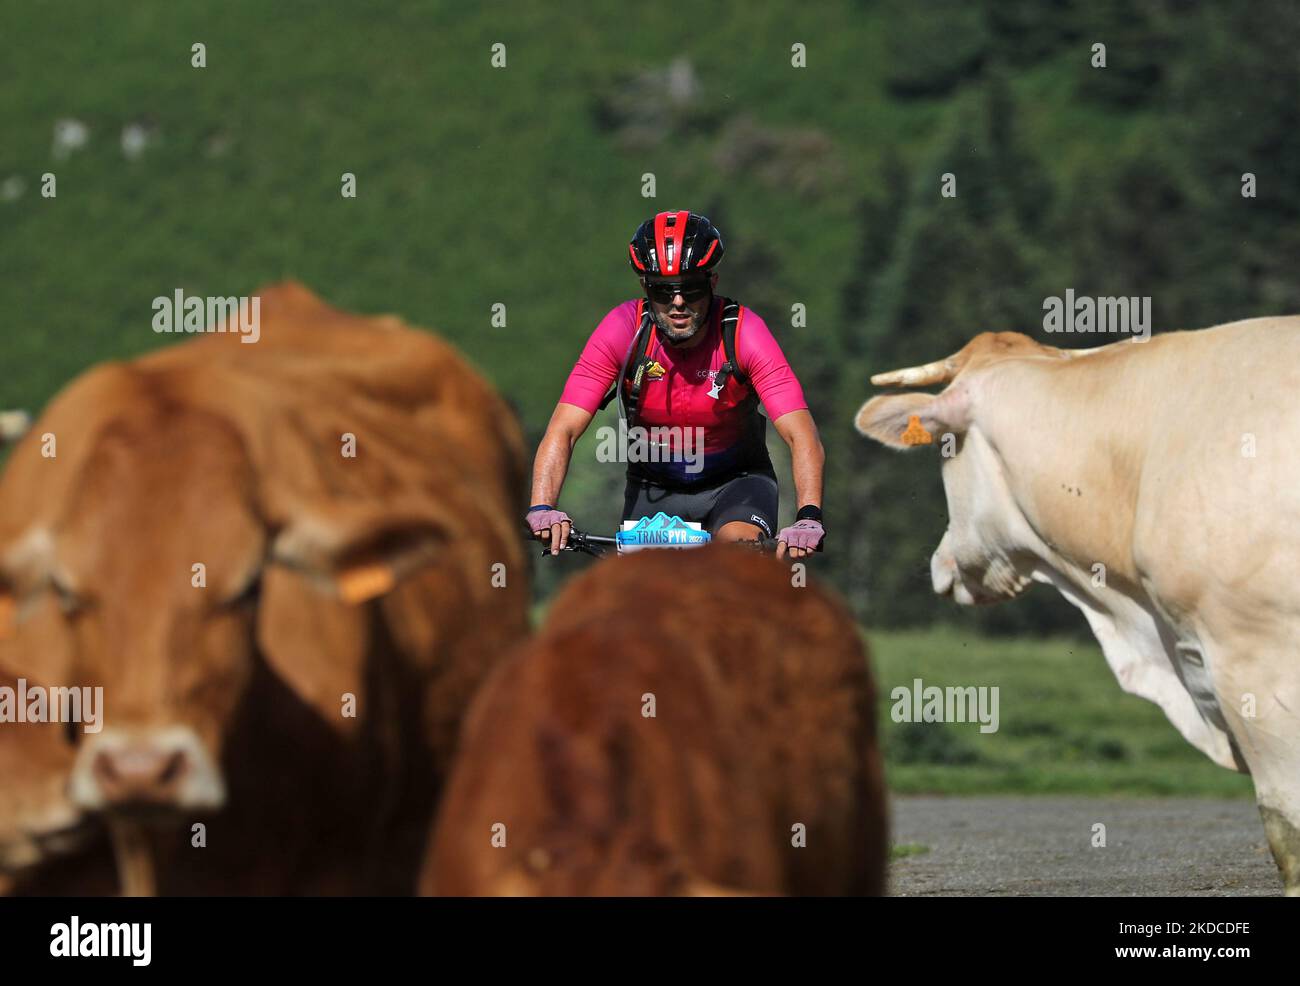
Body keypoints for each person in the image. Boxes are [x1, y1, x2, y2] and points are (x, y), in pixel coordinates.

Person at [527, 210, 825, 559]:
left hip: (737, 484)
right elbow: (563, 429)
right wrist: (542, 507)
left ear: (712, 284)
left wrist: (808, 517)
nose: (678, 302)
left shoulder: (744, 334)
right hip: (654, 488)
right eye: (664, 291)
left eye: (691, 288)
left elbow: (801, 433)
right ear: (645, 288)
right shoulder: (621, 330)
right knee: (643, 600)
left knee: (737, 563)